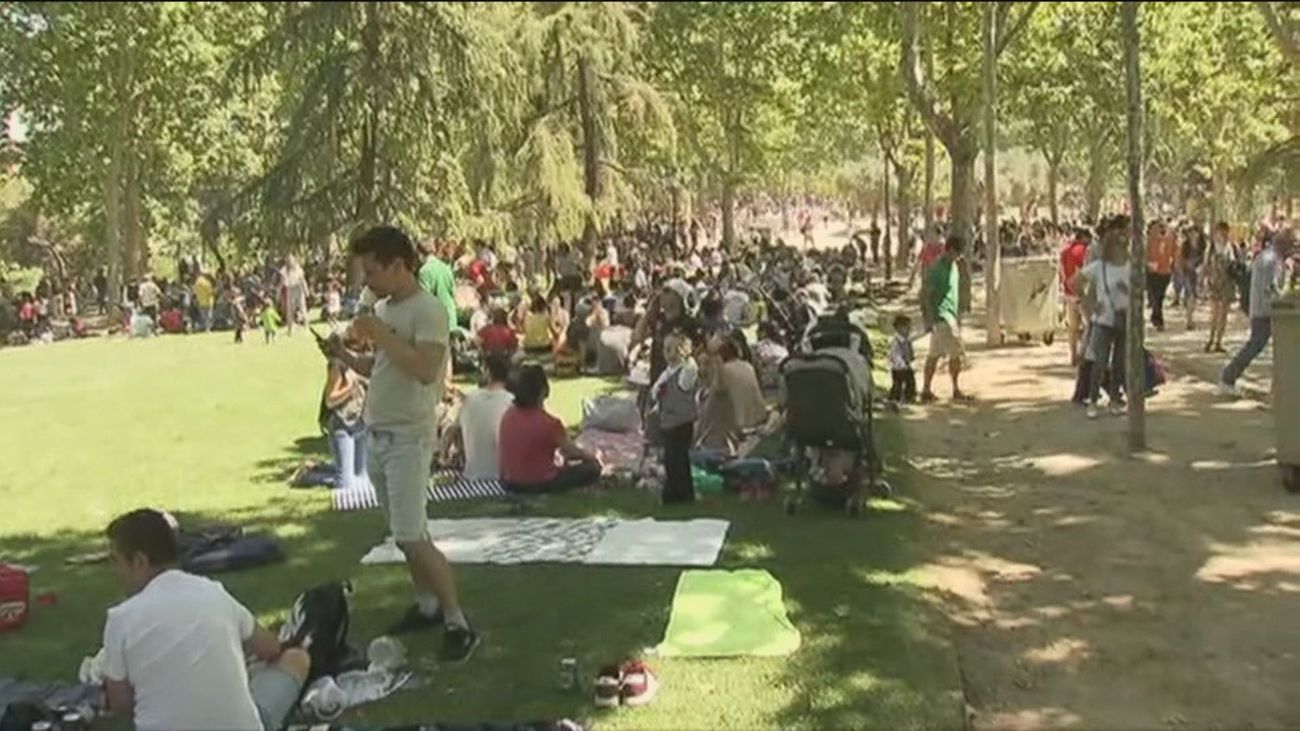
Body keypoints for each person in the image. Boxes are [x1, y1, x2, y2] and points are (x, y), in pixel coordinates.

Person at [331, 225, 479, 660]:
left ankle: (458, 622)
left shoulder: (427, 310)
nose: (367, 281)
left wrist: (379, 333)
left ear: (398, 265)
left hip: (408, 436)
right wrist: (344, 356)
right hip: (378, 431)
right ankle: (427, 605)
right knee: (404, 533)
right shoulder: (384, 309)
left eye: (372, 270)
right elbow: (381, 366)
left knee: (412, 535)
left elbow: (424, 369)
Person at [100, 509, 310, 731]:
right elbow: (271, 648)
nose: (114, 571)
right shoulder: (212, 593)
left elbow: (121, 703)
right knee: (296, 657)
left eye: (115, 560)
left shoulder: (121, 619)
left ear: (140, 561)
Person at [498, 364, 602, 492]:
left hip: (509, 482)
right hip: (539, 484)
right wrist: (592, 457)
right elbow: (572, 452)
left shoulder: (508, 415)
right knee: (592, 468)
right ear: (543, 391)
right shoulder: (550, 424)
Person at [1219, 228, 1294, 397]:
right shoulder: (1271, 260)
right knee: (1255, 345)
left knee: (1269, 347)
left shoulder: (1269, 257)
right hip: (1265, 311)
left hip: (1263, 309)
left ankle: (1278, 386)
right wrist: (1285, 298)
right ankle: (1228, 377)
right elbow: (1271, 289)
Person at [1076, 217, 1132, 419]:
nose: (1121, 247)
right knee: (1099, 362)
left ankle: (1115, 399)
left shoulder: (1130, 266)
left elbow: (1139, 290)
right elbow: (1076, 281)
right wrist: (1089, 305)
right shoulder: (1099, 267)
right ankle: (1092, 400)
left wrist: (1129, 291)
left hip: (1125, 320)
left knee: (1119, 363)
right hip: (1103, 321)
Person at [695, 332, 767, 454]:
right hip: (756, 430)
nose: (702, 369)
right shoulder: (747, 366)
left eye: (707, 363)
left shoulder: (724, 374)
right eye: (700, 365)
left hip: (726, 443)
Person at [446, 353, 513, 480]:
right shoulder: (512, 402)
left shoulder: (469, 399)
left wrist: (443, 458)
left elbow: (450, 432)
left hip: (472, 475)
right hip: (503, 476)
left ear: (487, 373)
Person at [920, 235, 970, 403]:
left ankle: (926, 389)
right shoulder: (936, 269)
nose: (959, 257)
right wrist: (927, 318)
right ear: (949, 250)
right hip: (943, 317)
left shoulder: (954, 266)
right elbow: (926, 294)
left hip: (950, 316)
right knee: (955, 353)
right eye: (957, 253)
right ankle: (955, 388)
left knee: (934, 354)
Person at [650, 334, 699, 504]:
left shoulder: (686, 370)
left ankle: (680, 493)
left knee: (679, 458)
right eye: (666, 349)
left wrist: (688, 358)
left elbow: (685, 382)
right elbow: (656, 391)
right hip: (668, 421)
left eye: (675, 349)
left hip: (682, 422)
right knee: (671, 459)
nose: (670, 354)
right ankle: (677, 493)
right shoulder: (667, 372)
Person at [1204, 221, 1238, 354]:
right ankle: (1211, 339)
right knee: (1214, 313)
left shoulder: (1230, 247)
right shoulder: (1211, 247)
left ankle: (1219, 341)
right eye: (1220, 231)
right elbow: (1206, 264)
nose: (1222, 234)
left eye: (1224, 231)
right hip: (1215, 283)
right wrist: (1206, 279)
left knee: (1223, 313)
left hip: (1227, 283)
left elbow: (1234, 264)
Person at [1060, 228, 1092, 365]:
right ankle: (1083, 354)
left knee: (1072, 327)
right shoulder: (1085, 251)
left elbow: (1061, 272)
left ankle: (1073, 354)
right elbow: (1082, 272)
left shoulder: (1065, 251)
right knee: (1089, 326)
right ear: (1084, 237)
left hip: (1068, 293)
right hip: (1082, 294)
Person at [1145, 221, 1175, 332]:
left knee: (1158, 296)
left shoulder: (1170, 238)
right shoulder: (1150, 239)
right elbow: (1146, 252)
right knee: (1155, 295)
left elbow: (1173, 253)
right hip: (1153, 271)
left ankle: (1156, 316)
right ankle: (1158, 318)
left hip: (1164, 271)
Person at [888, 314, 917, 403]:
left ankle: (909, 396)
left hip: (905, 365)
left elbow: (909, 351)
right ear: (899, 328)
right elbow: (894, 354)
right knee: (898, 383)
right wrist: (900, 363)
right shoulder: (896, 341)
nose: (909, 330)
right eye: (906, 327)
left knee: (910, 381)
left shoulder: (906, 340)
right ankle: (895, 396)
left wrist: (911, 359)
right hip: (899, 367)